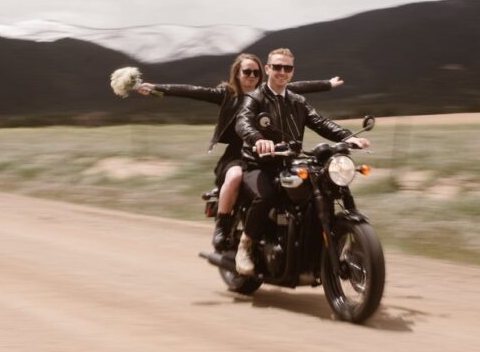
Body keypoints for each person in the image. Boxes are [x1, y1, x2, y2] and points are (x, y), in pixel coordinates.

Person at [136, 53, 344, 250]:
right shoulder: (227, 94)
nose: (252, 76)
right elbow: (192, 90)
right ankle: (223, 225)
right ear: (237, 73)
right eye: (247, 72)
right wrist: (158, 88)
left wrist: (328, 84)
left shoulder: (267, 94)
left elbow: (299, 87)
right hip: (237, 154)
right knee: (235, 176)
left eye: (255, 73)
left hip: (268, 154)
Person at [233, 47, 370, 275]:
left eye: (287, 68)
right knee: (265, 195)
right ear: (267, 69)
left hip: (289, 163)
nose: (282, 72)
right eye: (277, 67)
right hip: (259, 164)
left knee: (324, 188)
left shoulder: (297, 101)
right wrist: (258, 139)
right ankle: (245, 246)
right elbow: (243, 122)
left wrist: (349, 137)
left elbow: (321, 122)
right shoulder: (254, 98)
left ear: (292, 72)